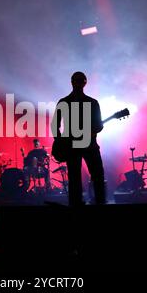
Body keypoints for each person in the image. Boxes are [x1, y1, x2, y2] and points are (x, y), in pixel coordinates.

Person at [53, 71, 105, 206]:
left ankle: (98, 203)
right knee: (78, 177)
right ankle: (81, 204)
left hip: (88, 144)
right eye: (76, 81)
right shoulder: (67, 102)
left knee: (96, 175)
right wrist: (61, 142)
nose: (78, 83)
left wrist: (91, 132)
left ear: (84, 82)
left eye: (80, 81)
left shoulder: (91, 103)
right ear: (72, 82)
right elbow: (55, 125)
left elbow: (99, 126)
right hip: (75, 145)